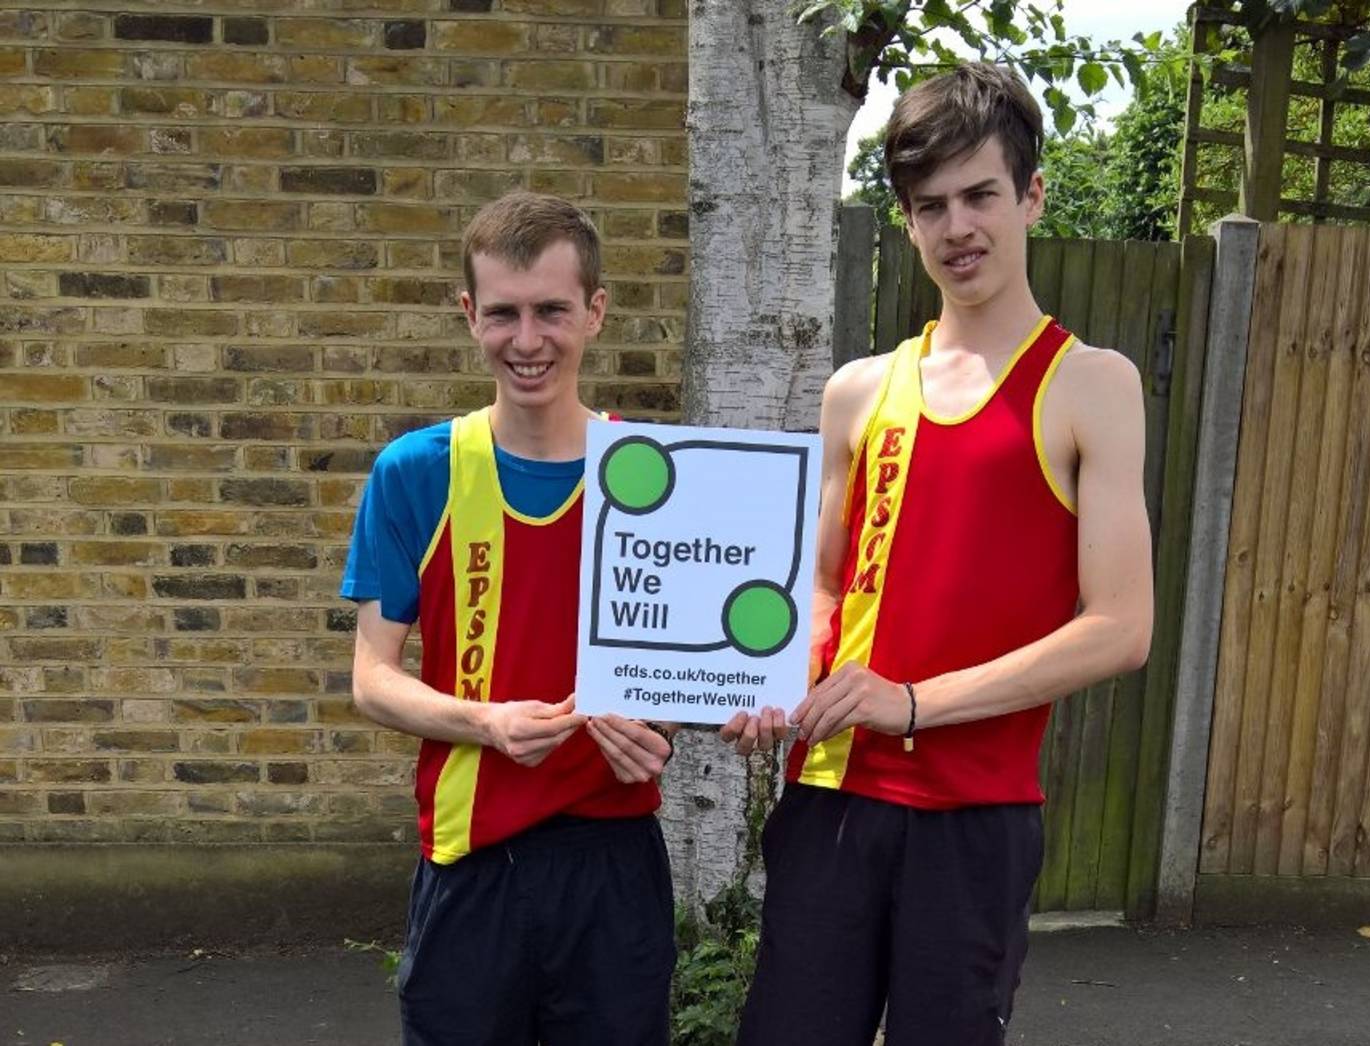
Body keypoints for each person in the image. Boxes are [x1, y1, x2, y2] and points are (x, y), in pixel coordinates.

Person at [722, 64, 1154, 1045]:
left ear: (1032, 195)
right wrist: (767, 676)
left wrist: (912, 701)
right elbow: (824, 584)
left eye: (979, 195)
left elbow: (1121, 628)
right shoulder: (859, 390)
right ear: (906, 220)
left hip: (976, 815)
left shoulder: (1091, 385)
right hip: (830, 796)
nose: (957, 227)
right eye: (929, 206)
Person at [341, 191, 678, 1046]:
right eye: (503, 314)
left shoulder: (657, 477)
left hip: (614, 863)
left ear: (595, 312)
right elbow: (372, 680)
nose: (527, 341)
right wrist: (483, 722)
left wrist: (664, 722)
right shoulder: (415, 471)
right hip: (473, 863)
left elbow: (690, 675)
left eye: (552, 311)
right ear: (469, 315)